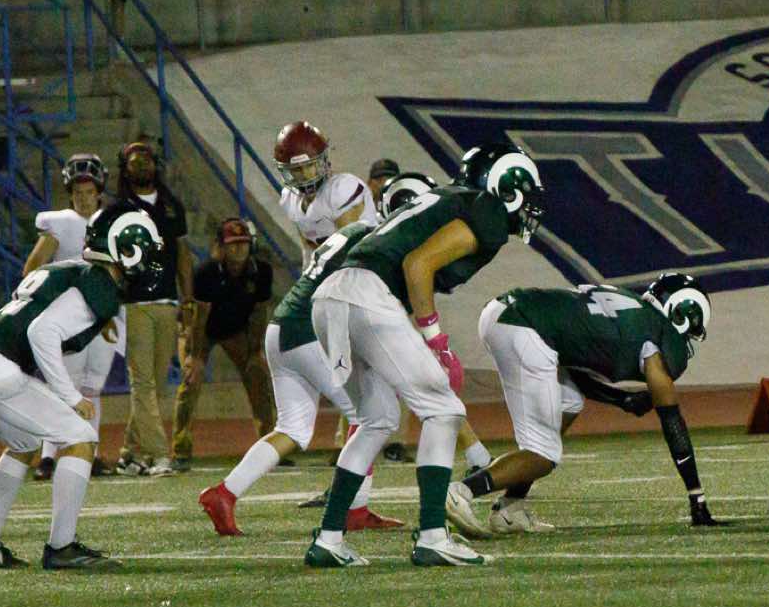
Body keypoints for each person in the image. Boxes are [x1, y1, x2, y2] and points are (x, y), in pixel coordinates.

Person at [302, 145, 543, 568]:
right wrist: (436, 340)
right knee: (444, 410)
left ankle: (329, 538)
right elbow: (418, 264)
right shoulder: (485, 209)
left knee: (376, 420)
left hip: (332, 297)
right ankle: (433, 535)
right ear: (507, 187)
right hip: (366, 295)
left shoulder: (447, 198)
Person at [0, 210, 166, 570]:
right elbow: (41, 332)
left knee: (25, 443)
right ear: (125, 248)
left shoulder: (68, 270)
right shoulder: (98, 283)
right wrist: (71, 398)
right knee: (80, 436)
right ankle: (62, 546)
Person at [448, 272, 717, 538]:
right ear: (681, 313)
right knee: (544, 454)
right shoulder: (653, 337)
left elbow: (572, 361)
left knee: (570, 402)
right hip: (523, 326)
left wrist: (620, 399)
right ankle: (461, 492)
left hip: (511, 314)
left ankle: (510, 508)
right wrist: (697, 496)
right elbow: (672, 421)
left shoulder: (631, 312)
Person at [196, 219, 403, 537]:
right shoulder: (376, 242)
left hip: (282, 328)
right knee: (368, 416)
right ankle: (355, 509)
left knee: (292, 428)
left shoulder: (353, 232)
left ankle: (223, 494)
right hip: (308, 332)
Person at [21, 154, 120, 482]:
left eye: (89, 192)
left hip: (103, 315)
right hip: (71, 315)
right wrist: (48, 302)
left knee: (92, 388)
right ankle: (49, 456)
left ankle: (89, 451)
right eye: (78, 192)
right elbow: (33, 267)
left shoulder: (111, 222)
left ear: (99, 192)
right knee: (64, 386)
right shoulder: (60, 223)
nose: (83, 198)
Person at [103, 140, 194, 476]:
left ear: (156, 164)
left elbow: (182, 254)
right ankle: (158, 454)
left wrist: (188, 298)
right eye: (134, 161)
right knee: (143, 383)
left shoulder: (171, 205)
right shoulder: (117, 210)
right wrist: (109, 304)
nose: (141, 165)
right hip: (134, 304)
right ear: (125, 169)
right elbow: (108, 262)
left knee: (156, 384)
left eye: (146, 159)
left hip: (167, 301)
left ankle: (130, 453)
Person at [172, 218, 278, 464]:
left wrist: (255, 352)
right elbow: (199, 319)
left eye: (243, 243)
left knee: (258, 375)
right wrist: (194, 357)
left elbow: (259, 313)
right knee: (191, 380)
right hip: (200, 330)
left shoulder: (262, 272)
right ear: (221, 246)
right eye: (232, 244)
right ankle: (180, 449)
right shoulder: (206, 273)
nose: (239, 249)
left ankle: (269, 445)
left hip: (235, 329)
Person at [274, 121, 378, 251]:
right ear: (287, 171)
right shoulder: (290, 199)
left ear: (322, 161)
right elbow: (309, 251)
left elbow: (353, 250)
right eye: (297, 169)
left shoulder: (342, 189)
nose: (306, 174)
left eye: (310, 165)